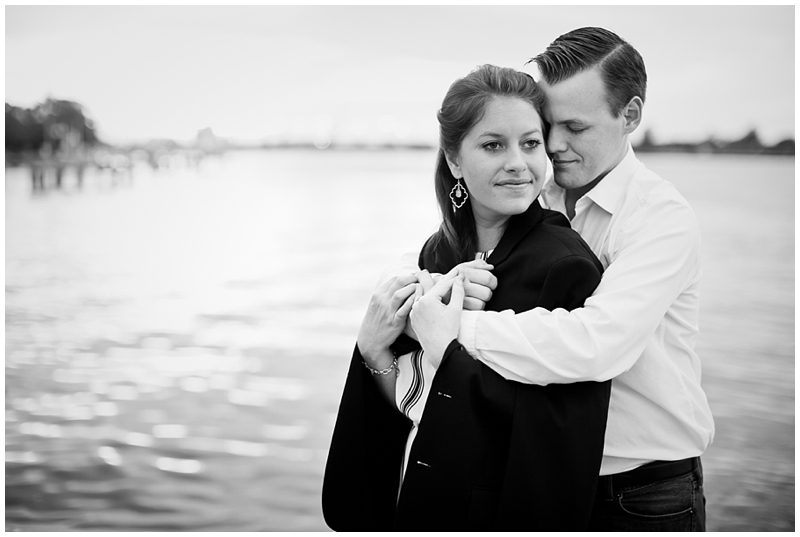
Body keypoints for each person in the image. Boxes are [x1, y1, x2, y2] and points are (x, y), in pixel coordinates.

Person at [407, 27, 716, 531]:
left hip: (642, 492)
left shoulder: (659, 217)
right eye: (548, 125)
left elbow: (597, 342)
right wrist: (436, 288)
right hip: (542, 473)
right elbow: (454, 242)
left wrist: (456, 329)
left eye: (575, 127)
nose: (554, 145)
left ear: (630, 116)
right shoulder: (535, 192)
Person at [322, 64, 612, 531]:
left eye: (530, 143)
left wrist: (450, 349)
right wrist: (373, 347)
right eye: (493, 145)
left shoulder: (564, 266)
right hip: (415, 496)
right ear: (455, 160)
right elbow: (410, 404)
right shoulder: (435, 252)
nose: (518, 161)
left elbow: (562, 443)